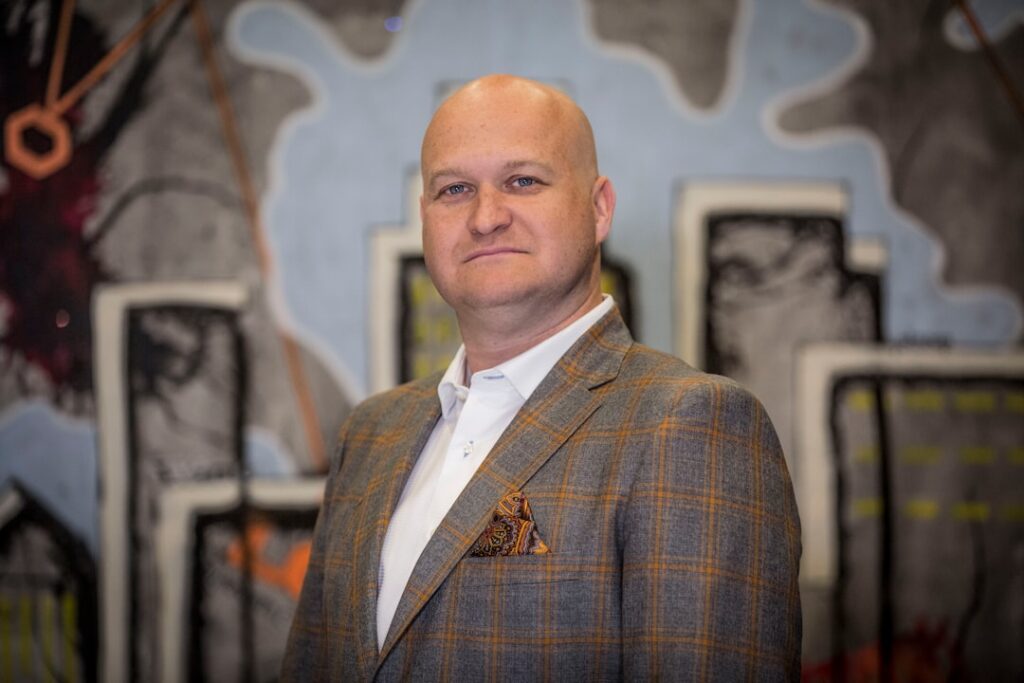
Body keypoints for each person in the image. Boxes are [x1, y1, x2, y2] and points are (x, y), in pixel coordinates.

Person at [282, 74, 801, 681]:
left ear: (599, 208)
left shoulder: (691, 424)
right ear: (425, 219)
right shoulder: (370, 433)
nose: (485, 217)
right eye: (454, 189)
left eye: (523, 181)